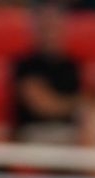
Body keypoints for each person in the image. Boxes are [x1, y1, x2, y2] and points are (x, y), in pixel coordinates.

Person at [10, 4, 80, 141]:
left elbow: (84, 102)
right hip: (35, 131)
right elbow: (43, 105)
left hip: (70, 131)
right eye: (46, 27)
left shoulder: (71, 65)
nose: (51, 32)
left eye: (55, 27)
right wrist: (71, 105)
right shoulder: (26, 64)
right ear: (37, 30)